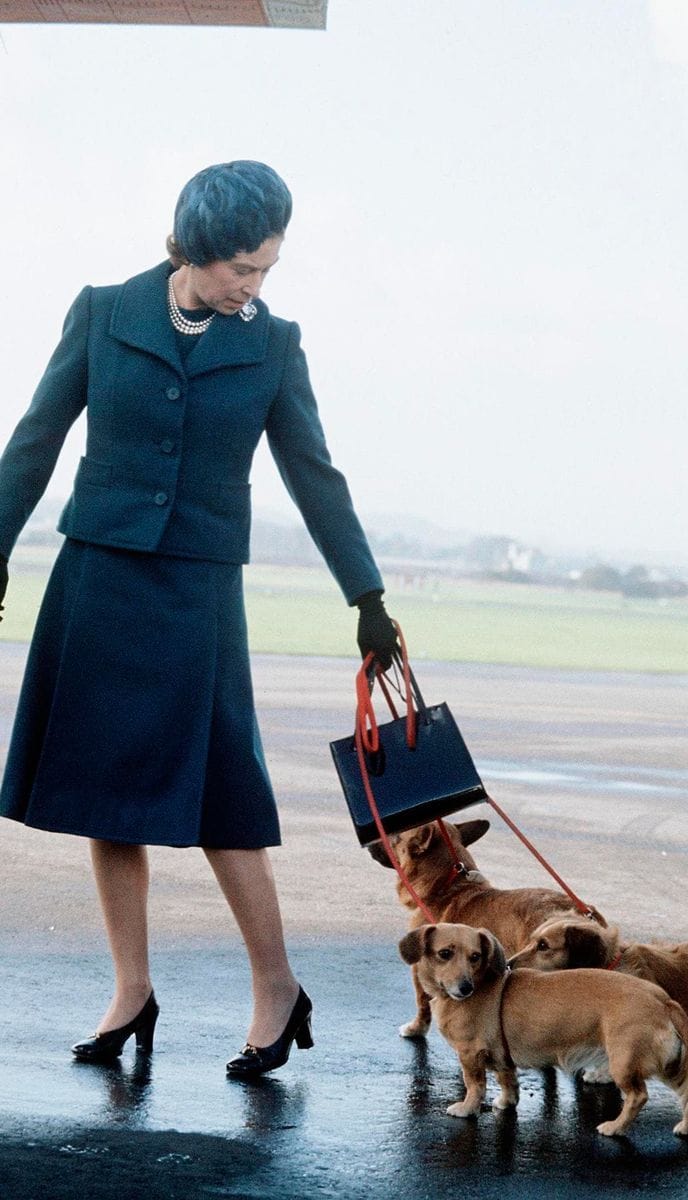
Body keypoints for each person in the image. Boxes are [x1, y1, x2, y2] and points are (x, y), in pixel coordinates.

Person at [0, 160, 397, 1077]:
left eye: (265, 271)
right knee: (109, 800)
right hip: (99, 576)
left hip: (199, 592)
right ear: (193, 247)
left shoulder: (274, 342)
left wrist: (366, 595)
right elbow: (36, 436)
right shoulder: (102, 311)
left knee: (224, 797)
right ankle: (130, 991)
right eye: (240, 270)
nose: (252, 287)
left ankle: (275, 986)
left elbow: (313, 472)